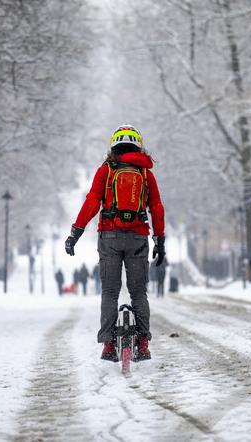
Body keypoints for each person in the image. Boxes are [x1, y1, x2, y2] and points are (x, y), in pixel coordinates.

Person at [65, 124, 165, 362]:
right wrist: (160, 241)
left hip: (109, 237)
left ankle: (109, 346)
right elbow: (157, 209)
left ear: (113, 146)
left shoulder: (106, 171)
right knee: (139, 293)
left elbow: (92, 202)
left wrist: (75, 233)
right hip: (138, 237)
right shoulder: (145, 174)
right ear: (138, 145)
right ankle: (142, 345)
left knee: (109, 292)